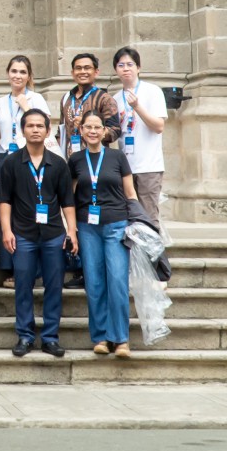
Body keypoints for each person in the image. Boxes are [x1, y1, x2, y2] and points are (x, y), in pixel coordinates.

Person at [0, 108, 76, 357]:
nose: (35, 130)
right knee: (23, 286)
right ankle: (25, 336)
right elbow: (4, 200)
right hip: (23, 234)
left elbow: (67, 201)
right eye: (30, 126)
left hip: (54, 234)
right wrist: (6, 231)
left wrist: (72, 231)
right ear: (23, 130)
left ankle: (50, 338)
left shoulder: (58, 164)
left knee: (54, 286)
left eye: (40, 126)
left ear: (48, 130)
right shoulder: (11, 163)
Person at [70, 110, 140, 357]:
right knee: (94, 282)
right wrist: (71, 229)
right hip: (87, 228)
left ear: (104, 131)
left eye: (97, 127)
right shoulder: (75, 160)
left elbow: (130, 193)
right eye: (88, 127)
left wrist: (138, 223)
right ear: (81, 131)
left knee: (118, 281)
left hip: (116, 225)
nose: (92, 131)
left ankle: (120, 339)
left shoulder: (117, 156)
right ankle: (100, 337)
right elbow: (70, 197)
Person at [111, 47, 171, 223]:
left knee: (149, 218)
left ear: (138, 67)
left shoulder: (152, 91)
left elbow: (159, 126)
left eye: (130, 64)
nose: (126, 69)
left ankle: (153, 243)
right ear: (116, 70)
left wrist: (137, 107)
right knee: (130, 217)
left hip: (148, 165)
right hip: (126, 167)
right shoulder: (115, 98)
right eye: (121, 65)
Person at [0, 55, 54, 170]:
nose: (18, 76)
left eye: (23, 72)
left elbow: (47, 128)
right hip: (4, 156)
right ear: (8, 74)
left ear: (29, 77)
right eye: (14, 71)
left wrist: (26, 108)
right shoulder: (0, 102)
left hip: (28, 156)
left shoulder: (36, 98)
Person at [60, 52, 118, 156]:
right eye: (78, 68)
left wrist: (89, 126)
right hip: (70, 159)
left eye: (87, 68)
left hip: (97, 158)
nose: (82, 71)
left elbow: (115, 132)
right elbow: (61, 130)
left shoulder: (105, 99)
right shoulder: (66, 98)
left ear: (96, 72)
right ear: (72, 73)